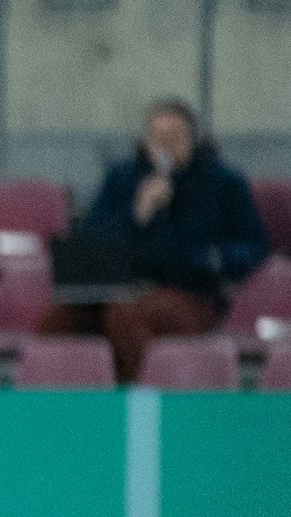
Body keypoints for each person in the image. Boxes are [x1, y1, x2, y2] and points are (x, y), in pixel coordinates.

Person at [37, 98, 270, 383]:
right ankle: (64, 410)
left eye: (175, 138)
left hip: (189, 293)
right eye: (158, 139)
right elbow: (91, 236)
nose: (166, 147)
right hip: (120, 286)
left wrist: (212, 259)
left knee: (126, 316)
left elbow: (254, 245)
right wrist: (137, 213)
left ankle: (139, 406)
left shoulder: (223, 182)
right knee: (56, 321)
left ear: (192, 141)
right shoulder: (123, 177)